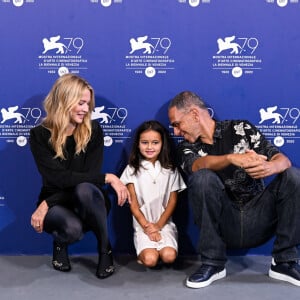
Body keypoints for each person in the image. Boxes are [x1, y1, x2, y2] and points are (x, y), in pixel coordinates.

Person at [168, 91, 300, 288]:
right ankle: (212, 263)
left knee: (293, 175)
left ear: (194, 114)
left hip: (259, 217)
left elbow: (283, 160)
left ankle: (284, 261)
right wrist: (231, 158)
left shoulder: (241, 128)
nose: (176, 132)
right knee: (203, 176)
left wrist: (270, 167)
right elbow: (197, 165)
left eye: (177, 124)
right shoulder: (185, 148)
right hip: (225, 223)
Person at [30, 73, 130, 279]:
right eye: (81, 103)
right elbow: (58, 179)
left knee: (84, 188)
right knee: (72, 230)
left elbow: (88, 178)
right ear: (64, 100)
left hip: (88, 200)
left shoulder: (93, 130)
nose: (86, 109)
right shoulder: (39, 135)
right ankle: (60, 243)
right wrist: (108, 177)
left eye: (88, 104)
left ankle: (105, 249)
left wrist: (47, 204)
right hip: (57, 202)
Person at [120, 120, 186, 267]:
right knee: (150, 260)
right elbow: (134, 205)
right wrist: (148, 227)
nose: (150, 147)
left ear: (162, 144)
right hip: (143, 226)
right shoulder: (131, 169)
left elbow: (172, 202)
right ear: (138, 144)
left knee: (169, 257)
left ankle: (161, 250)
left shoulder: (171, 169)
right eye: (145, 142)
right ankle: (146, 253)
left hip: (164, 224)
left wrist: (158, 225)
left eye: (155, 142)